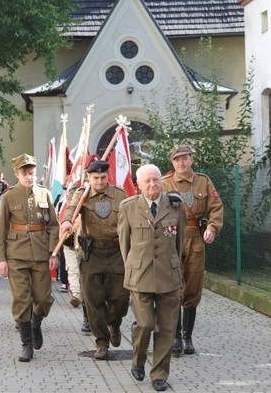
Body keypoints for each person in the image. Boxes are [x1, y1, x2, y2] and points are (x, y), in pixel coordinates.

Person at [117, 164, 186, 392]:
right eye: (147, 181)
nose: (152, 185)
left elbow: (179, 242)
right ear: (138, 184)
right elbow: (124, 245)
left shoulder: (175, 206)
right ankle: (138, 360)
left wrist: (177, 269)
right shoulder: (128, 207)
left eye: (156, 180)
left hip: (168, 275)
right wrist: (133, 268)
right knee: (145, 323)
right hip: (141, 275)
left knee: (167, 328)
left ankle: (159, 374)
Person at [59, 160, 130, 360]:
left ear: (108, 177)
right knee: (93, 300)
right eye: (95, 178)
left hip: (117, 252)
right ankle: (102, 343)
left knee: (120, 297)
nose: (99, 181)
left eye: (103, 177)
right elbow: (71, 209)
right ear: (89, 177)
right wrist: (66, 221)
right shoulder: (82, 194)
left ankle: (115, 323)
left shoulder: (120, 194)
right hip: (92, 253)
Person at [0, 153, 59, 362]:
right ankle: (26, 344)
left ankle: (36, 323)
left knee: (43, 299)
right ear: (16, 174)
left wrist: (54, 253)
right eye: (25, 173)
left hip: (41, 253)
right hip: (16, 255)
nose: (29, 177)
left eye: (32, 173)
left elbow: (53, 226)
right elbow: (1, 229)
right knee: (21, 299)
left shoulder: (45, 194)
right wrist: (1, 259)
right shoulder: (8, 196)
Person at [161, 144, 223, 355]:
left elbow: (216, 208)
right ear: (172, 162)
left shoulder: (203, 182)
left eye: (185, 158)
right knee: (175, 286)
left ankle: (188, 337)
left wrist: (212, 229)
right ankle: (176, 337)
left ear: (191, 159)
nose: (181, 162)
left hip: (196, 237)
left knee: (193, 287)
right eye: (177, 159)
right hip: (172, 239)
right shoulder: (164, 184)